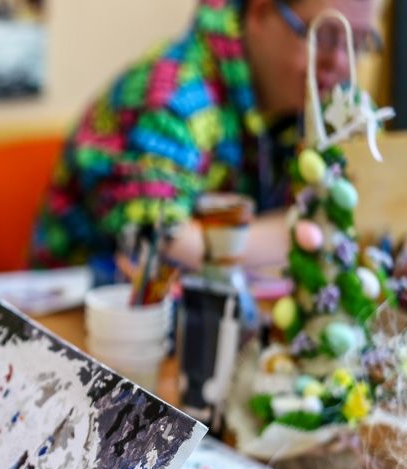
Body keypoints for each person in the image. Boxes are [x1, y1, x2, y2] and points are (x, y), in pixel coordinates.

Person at [30, 0, 380, 271]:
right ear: (260, 14)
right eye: (322, 36)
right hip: (78, 320)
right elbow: (157, 239)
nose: (340, 63)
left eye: (360, 42)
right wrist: (306, 229)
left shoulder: (319, 98)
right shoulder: (175, 96)